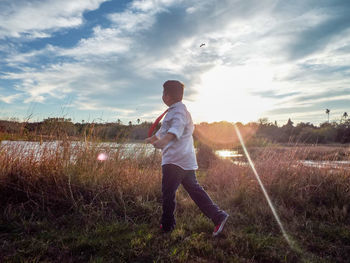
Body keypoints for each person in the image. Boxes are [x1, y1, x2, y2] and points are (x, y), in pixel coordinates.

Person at [145, 80, 229, 236]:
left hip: (174, 161)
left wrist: (162, 142)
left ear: (168, 96)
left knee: (168, 194)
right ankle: (218, 216)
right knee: (195, 191)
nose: (162, 96)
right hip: (185, 161)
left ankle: (167, 226)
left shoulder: (178, 112)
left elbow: (175, 129)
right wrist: (153, 139)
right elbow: (163, 131)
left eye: (163, 93)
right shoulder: (177, 111)